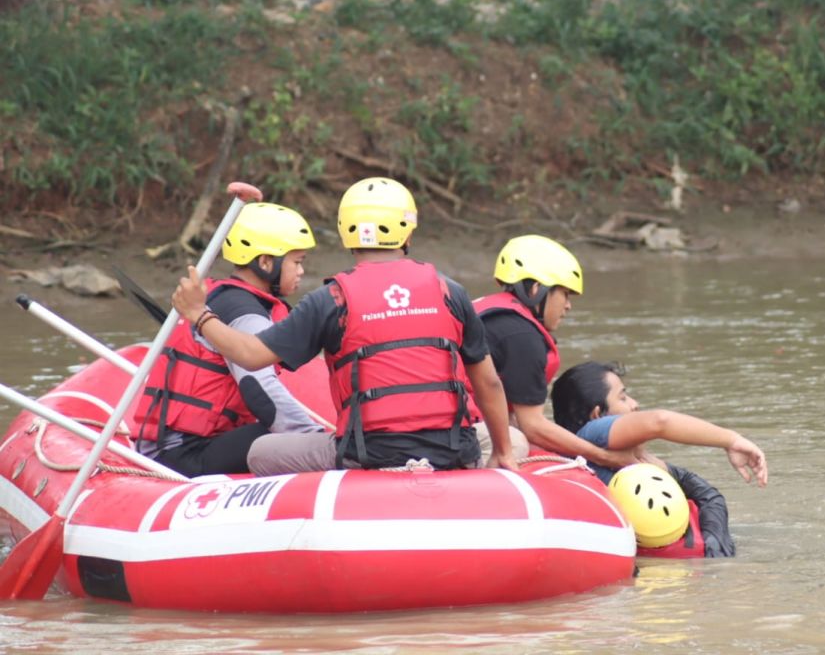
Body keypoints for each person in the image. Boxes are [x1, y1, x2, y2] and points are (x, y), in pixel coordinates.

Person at [169, 176, 516, 474]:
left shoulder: (330, 299)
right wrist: (502, 452)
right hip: (452, 449)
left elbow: (252, 355)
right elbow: (489, 383)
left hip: (366, 455)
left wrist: (200, 314)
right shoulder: (451, 292)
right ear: (407, 232)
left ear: (346, 233)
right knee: (516, 440)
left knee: (261, 450)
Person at [133, 202, 324, 477]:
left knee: (283, 433)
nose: (302, 272)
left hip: (188, 442)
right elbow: (259, 388)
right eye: (297, 262)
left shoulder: (225, 298)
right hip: (181, 453)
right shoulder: (244, 314)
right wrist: (314, 439)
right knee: (290, 439)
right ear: (266, 262)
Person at [551, 361, 768, 557]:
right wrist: (732, 440)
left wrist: (715, 547)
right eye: (623, 397)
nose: (635, 404)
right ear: (597, 415)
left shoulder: (632, 459)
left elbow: (707, 494)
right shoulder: (590, 433)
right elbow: (660, 422)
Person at [471, 235, 635, 471]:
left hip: (435, 422)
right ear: (538, 289)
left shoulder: (491, 312)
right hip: (449, 430)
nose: (568, 305)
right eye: (565, 294)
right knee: (513, 443)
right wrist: (603, 456)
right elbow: (533, 426)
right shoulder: (522, 336)